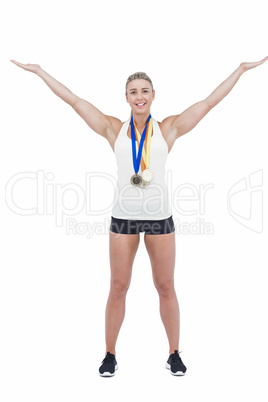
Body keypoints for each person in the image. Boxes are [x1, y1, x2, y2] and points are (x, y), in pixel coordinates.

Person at [11, 56, 268, 377]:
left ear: (153, 95)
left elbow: (209, 103)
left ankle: (174, 352)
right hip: (123, 219)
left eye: (145, 90)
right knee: (118, 286)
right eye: (133, 91)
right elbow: (74, 101)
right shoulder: (112, 129)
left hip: (161, 219)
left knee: (166, 286)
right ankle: (109, 354)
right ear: (127, 98)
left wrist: (240, 71)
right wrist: (39, 72)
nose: (139, 96)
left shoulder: (168, 128)